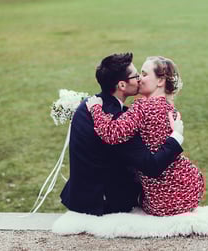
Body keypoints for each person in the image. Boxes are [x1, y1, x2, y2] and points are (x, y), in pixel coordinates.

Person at [60, 53, 185, 216]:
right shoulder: (118, 122)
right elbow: (152, 167)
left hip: (79, 195)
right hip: (103, 203)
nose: (140, 79)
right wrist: (176, 137)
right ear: (122, 85)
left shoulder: (90, 103)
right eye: (136, 76)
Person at [86, 56, 205, 216]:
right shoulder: (171, 109)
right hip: (189, 189)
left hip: (162, 199)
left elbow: (111, 133)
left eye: (144, 74)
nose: (139, 79)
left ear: (160, 81)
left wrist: (95, 108)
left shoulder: (143, 107)